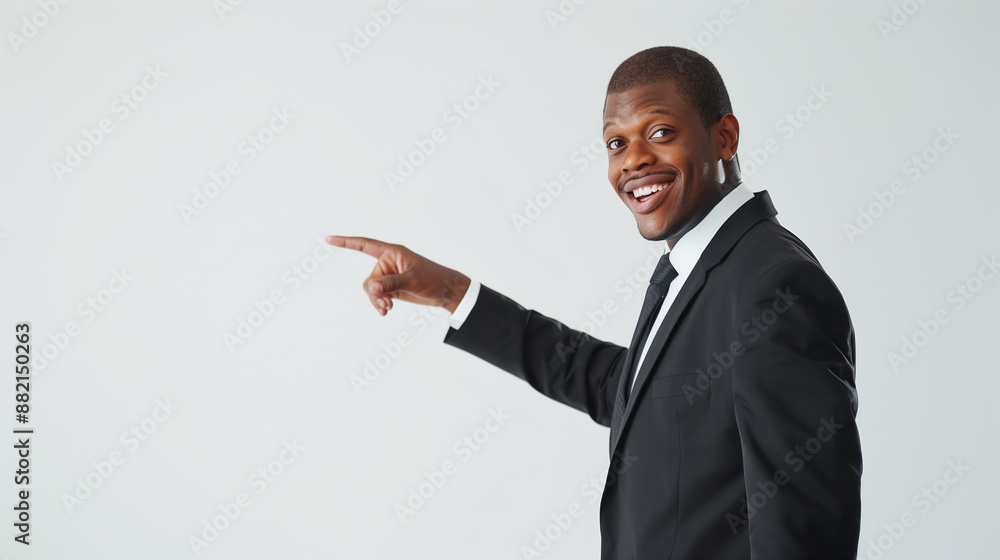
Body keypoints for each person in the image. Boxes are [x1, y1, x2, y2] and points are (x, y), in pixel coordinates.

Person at [328, 46, 862, 559]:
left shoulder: (776, 285)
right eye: (616, 143)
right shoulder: (696, 264)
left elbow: (806, 528)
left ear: (724, 137)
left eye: (660, 132)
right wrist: (452, 292)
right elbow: (628, 391)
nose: (634, 160)